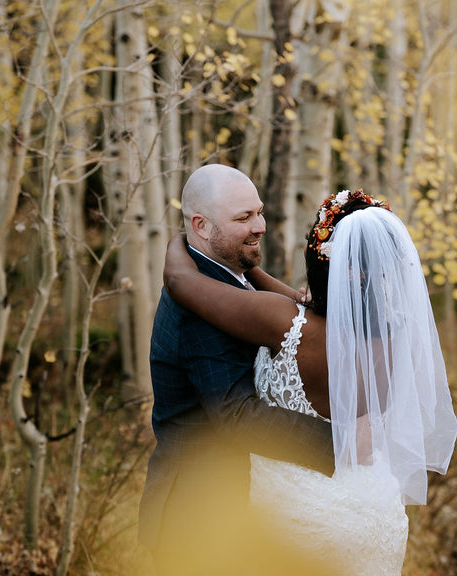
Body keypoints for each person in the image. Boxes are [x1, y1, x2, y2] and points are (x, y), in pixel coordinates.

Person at [163, 188, 457, 575]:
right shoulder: (400, 337)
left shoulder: (284, 323)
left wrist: (182, 238)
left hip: (301, 517)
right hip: (375, 508)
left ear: (321, 261)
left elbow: (181, 281)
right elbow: (311, 308)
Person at [138, 164, 336, 576]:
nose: (260, 226)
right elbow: (237, 416)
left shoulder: (227, 274)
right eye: (243, 218)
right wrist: (342, 448)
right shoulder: (199, 306)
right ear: (201, 226)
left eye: (259, 212)